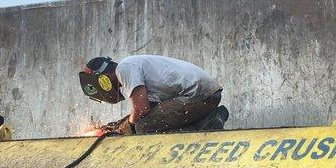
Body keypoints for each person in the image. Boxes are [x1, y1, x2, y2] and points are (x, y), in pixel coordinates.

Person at [79, 54, 227, 135]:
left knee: (144, 127)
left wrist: (126, 128)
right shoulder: (134, 68)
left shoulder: (124, 68)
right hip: (207, 94)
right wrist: (112, 127)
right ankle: (210, 118)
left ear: (102, 77)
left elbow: (141, 110)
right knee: (151, 120)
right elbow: (153, 111)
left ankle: (204, 126)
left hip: (197, 95)